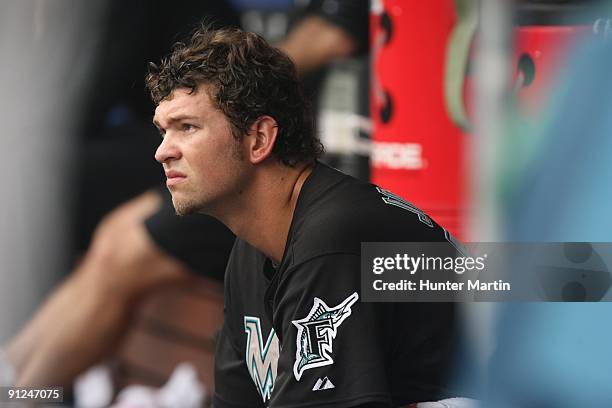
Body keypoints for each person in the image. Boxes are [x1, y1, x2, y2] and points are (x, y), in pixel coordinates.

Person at [3, 1, 371, 389]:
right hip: (229, 145)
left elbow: (334, 34)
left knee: (124, 245)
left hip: (287, 170)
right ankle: (16, 383)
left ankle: (22, 392)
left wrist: (215, 90)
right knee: (89, 215)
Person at [148, 25, 457, 407]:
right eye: (164, 131)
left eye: (187, 127)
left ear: (259, 139)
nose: (163, 151)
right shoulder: (249, 253)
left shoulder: (332, 239)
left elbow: (544, 281)